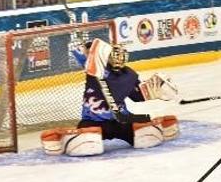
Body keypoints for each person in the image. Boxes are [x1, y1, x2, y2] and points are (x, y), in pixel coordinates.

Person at [40, 38, 180, 156]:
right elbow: (80, 52)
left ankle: (155, 127)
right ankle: (63, 138)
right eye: (114, 55)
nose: (118, 59)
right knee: (85, 141)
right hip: (93, 121)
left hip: (122, 120)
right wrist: (85, 46)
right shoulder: (96, 68)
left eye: (120, 55)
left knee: (146, 133)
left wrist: (155, 89)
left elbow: (137, 96)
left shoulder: (129, 75)